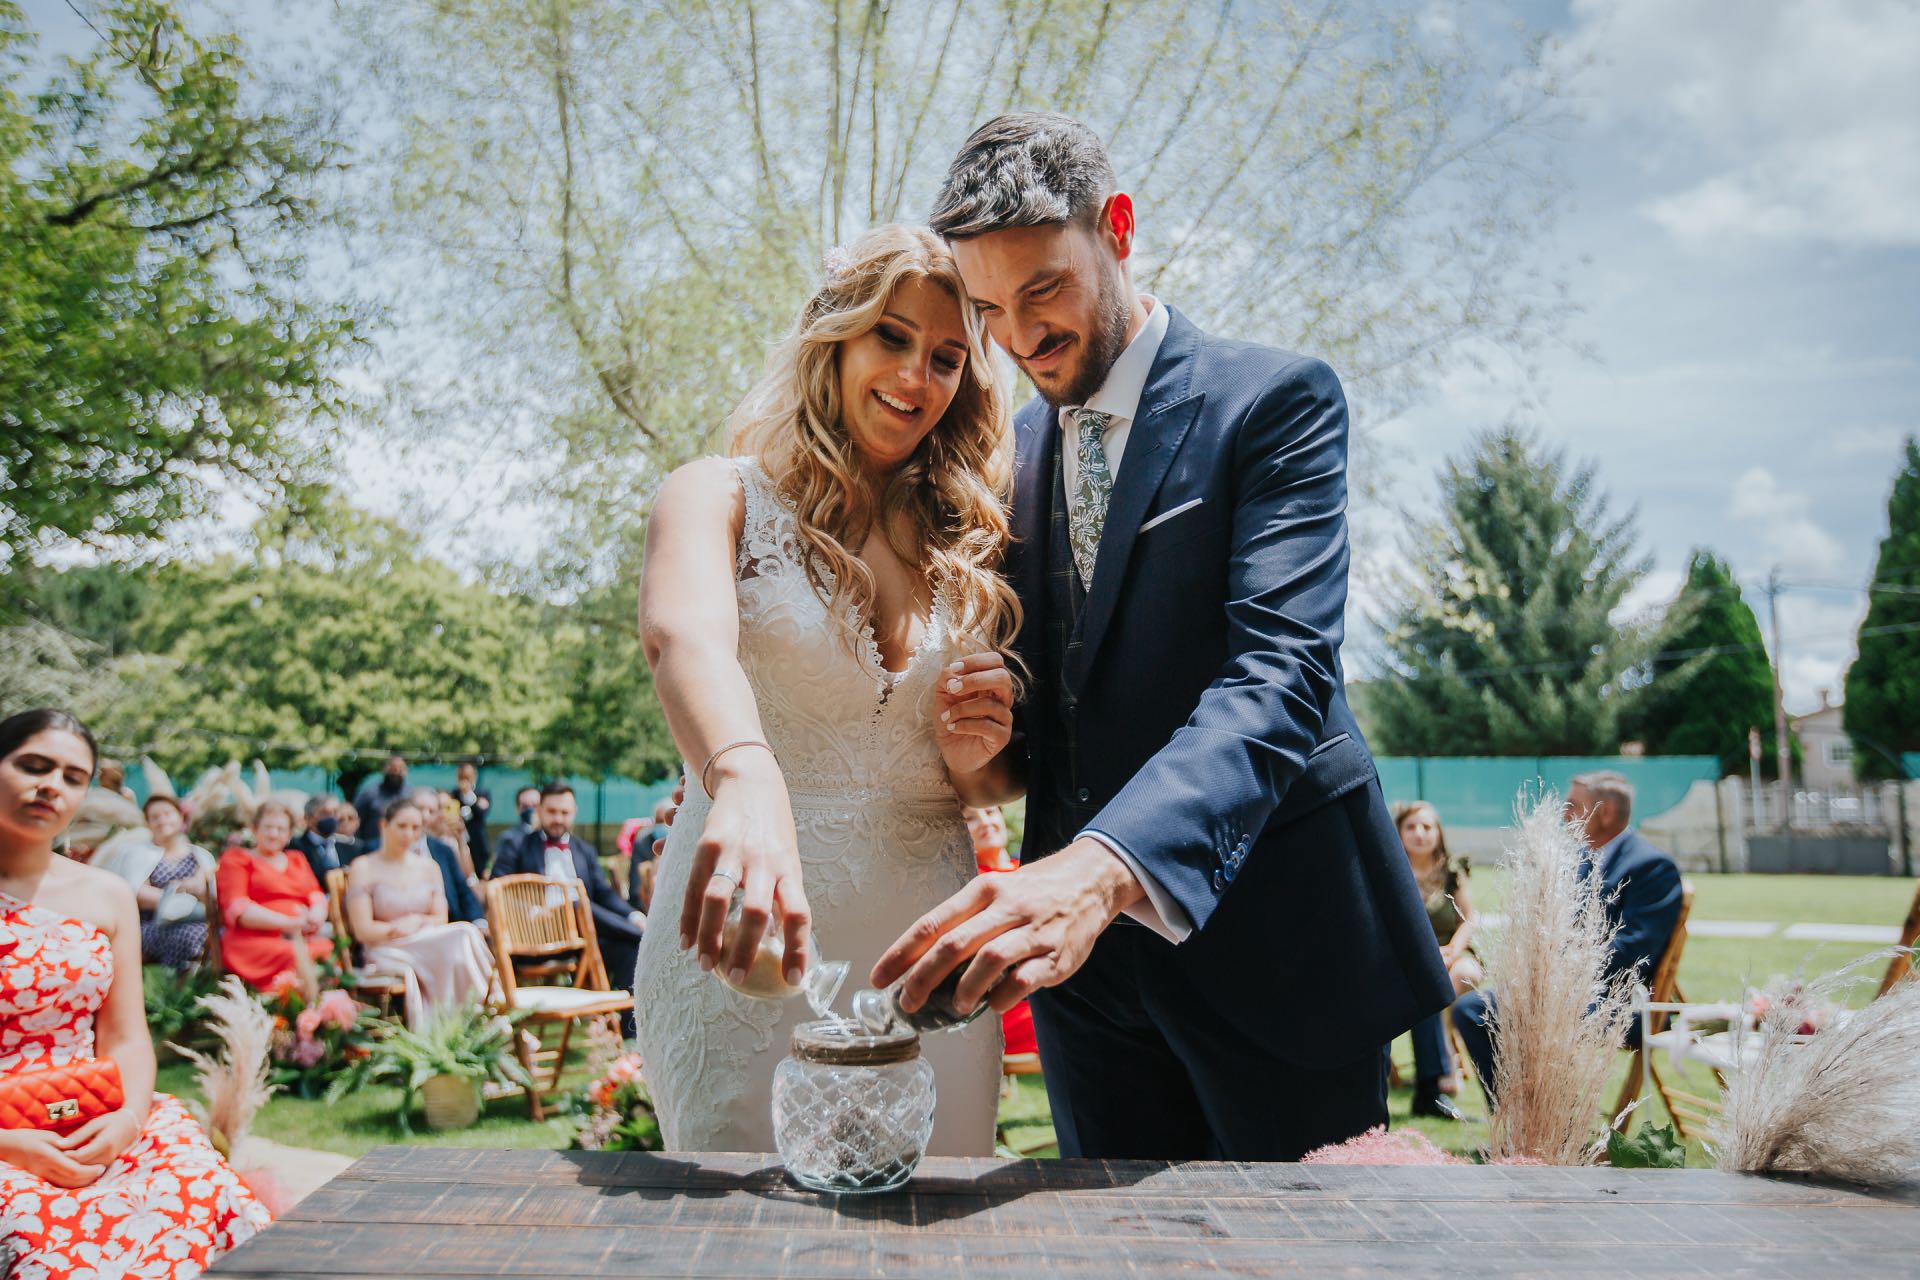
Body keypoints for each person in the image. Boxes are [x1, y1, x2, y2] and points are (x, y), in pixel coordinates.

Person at [865, 115, 1452, 1162]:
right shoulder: (1011, 446)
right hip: (1085, 990)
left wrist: (1100, 871)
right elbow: (1055, 710)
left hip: (1279, 956)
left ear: (1118, 228)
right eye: (989, 307)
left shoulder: (1273, 401)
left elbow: (1281, 676)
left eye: (1042, 289)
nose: (1017, 337)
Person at [634, 224, 1015, 1153]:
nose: (916, 377)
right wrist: (744, 774)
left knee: (931, 1240)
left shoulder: (977, 545)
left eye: (947, 357)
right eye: (891, 336)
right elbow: (682, 638)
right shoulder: (715, 495)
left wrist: (981, 760)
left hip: (928, 962)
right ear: (834, 334)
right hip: (747, 944)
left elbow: (988, 786)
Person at [0, 709, 270, 1274]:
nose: (53, 785)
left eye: (74, 777)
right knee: (35, 1238)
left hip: (99, 1112)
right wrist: (11, 1147)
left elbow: (125, 1037)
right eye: (33, 765)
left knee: (199, 1190)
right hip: (7, 1139)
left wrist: (125, 1123)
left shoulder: (106, 894)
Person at [1451, 771, 1684, 1101]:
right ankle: (1517, 1123)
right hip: (1562, 992)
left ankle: (1548, 1129)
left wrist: (1561, 975)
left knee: (1543, 1020)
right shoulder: (1579, 860)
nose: (1564, 814)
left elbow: (1634, 950)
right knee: (1473, 1009)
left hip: (1619, 1004)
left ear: (1604, 813)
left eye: (1573, 805)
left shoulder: (1651, 866)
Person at [344, 798, 494, 1028]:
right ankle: (489, 1012)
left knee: (465, 933)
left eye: (415, 828)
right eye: (402, 826)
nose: (409, 834)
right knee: (463, 935)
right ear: (384, 825)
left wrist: (417, 920)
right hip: (386, 948)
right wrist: (396, 928)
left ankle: (473, 1017)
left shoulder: (429, 867)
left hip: (425, 940)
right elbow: (363, 930)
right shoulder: (364, 867)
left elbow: (440, 919)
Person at [495, 783, 645, 997]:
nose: (558, 819)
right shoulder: (516, 845)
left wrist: (633, 915)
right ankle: (643, 935)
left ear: (574, 813)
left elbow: (604, 893)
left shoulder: (584, 850)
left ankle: (625, 1027)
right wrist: (531, 911)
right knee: (576, 903)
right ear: (539, 811)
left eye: (564, 812)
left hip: (584, 938)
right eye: (552, 812)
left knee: (630, 950)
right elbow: (498, 891)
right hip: (536, 934)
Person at [1394, 801, 1480, 1121]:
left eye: (1427, 827)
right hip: (1404, 958)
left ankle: (1435, 1083)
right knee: (1425, 983)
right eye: (1411, 827)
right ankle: (1437, 1080)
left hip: (1448, 951)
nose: (1419, 833)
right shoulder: (1389, 867)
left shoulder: (1451, 869)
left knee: (1440, 983)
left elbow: (1468, 918)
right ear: (1398, 832)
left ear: (1438, 833)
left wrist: (1452, 951)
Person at [216, 801, 333, 993]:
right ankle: (299, 1010)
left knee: (326, 949)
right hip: (253, 939)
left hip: (302, 936)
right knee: (294, 954)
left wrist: (315, 915)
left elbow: (316, 895)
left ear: (289, 834)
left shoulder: (297, 859)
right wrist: (289, 923)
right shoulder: (237, 858)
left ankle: (319, 1012)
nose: (274, 834)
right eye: (268, 827)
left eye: (281, 829)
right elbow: (239, 909)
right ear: (254, 829)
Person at [134, 793, 217, 971]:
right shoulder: (140, 854)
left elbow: (208, 892)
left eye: (167, 814)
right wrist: (182, 891)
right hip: (154, 924)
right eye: (155, 817)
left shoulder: (200, 855)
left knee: (214, 935)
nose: (162, 820)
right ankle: (179, 989)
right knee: (193, 937)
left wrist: (191, 892)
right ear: (148, 823)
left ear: (180, 817)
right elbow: (139, 894)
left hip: (198, 920)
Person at [405, 789, 485, 925]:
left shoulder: (443, 850)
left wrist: (479, 921)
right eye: (420, 809)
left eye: (431, 811)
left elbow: (464, 890)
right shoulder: (391, 848)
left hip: (448, 921)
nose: (425, 816)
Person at [352, 754, 409, 844]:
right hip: (371, 848)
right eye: (393, 768)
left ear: (405, 771)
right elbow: (355, 820)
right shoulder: (369, 794)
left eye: (400, 769)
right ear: (385, 769)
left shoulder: (410, 796)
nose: (396, 772)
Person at [289, 794, 347, 883]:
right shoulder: (295, 847)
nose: (331, 817)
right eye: (324, 813)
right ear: (308, 818)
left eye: (335, 812)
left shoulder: (351, 847)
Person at [452, 759, 493, 875]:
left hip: (478, 842)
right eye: (462, 777)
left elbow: (482, 813)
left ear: (474, 776)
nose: (464, 780)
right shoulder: (454, 794)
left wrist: (468, 795)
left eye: (467, 776)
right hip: (460, 840)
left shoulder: (482, 792)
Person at [964, 804, 1015, 872]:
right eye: (970, 818)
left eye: (990, 812)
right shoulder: (969, 880)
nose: (985, 822)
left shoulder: (1029, 868)